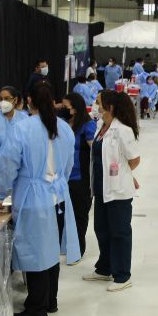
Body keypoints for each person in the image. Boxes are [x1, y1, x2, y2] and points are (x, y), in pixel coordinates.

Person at [0, 82, 79, 316]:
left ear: (27, 100)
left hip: (34, 197)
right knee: (51, 253)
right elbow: (69, 166)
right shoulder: (64, 128)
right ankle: (50, 300)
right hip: (59, 196)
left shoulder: (22, 128)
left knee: (36, 254)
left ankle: (37, 308)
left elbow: (7, 165)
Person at [83, 90, 140, 292]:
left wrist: (125, 175)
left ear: (110, 107)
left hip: (118, 191)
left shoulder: (123, 130)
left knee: (119, 232)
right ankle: (104, 268)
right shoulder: (101, 127)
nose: (95, 106)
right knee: (102, 229)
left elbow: (134, 159)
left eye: (98, 103)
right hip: (101, 188)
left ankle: (122, 275)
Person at [61, 93, 97, 261]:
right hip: (62, 178)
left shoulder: (88, 126)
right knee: (63, 215)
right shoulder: (62, 125)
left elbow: (95, 152)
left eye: (66, 107)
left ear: (74, 108)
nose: (63, 110)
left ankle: (78, 249)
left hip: (80, 179)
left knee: (79, 216)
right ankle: (65, 246)